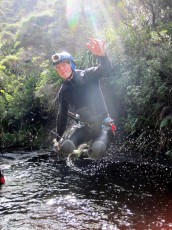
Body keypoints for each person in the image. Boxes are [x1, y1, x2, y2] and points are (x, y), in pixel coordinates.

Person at [52, 38, 115, 160]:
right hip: (84, 127)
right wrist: (58, 138)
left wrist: (102, 56)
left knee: (97, 150)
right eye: (58, 67)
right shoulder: (63, 91)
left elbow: (106, 68)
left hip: (104, 126)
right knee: (65, 148)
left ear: (71, 64)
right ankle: (82, 151)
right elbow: (62, 117)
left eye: (64, 65)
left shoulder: (87, 75)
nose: (61, 69)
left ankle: (88, 151)